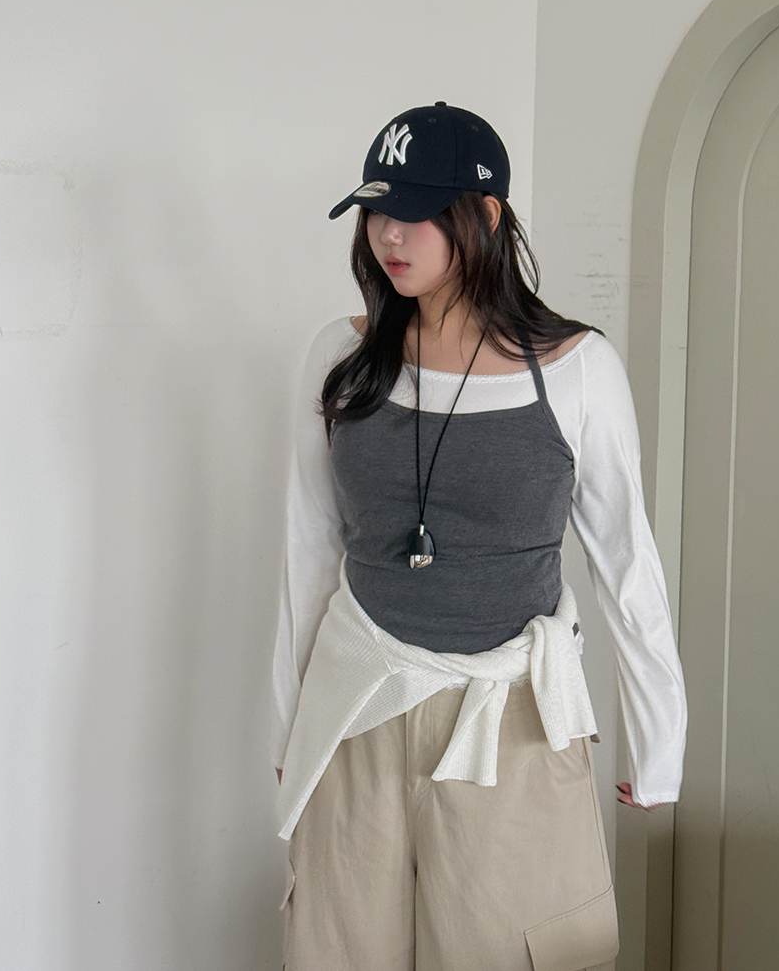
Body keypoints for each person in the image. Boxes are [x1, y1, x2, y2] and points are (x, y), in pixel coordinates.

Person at [270, 102, 687, 971]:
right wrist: (289, 730)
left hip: (513, 724)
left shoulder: (577, 370)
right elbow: (307, 552)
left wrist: (661, 744)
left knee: (517, 949)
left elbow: (625, 558)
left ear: (486, 215)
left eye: (416, 212)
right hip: (356, 710)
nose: (389, 235)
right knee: (339, 952)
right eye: (377, 211)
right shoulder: (339, 356)